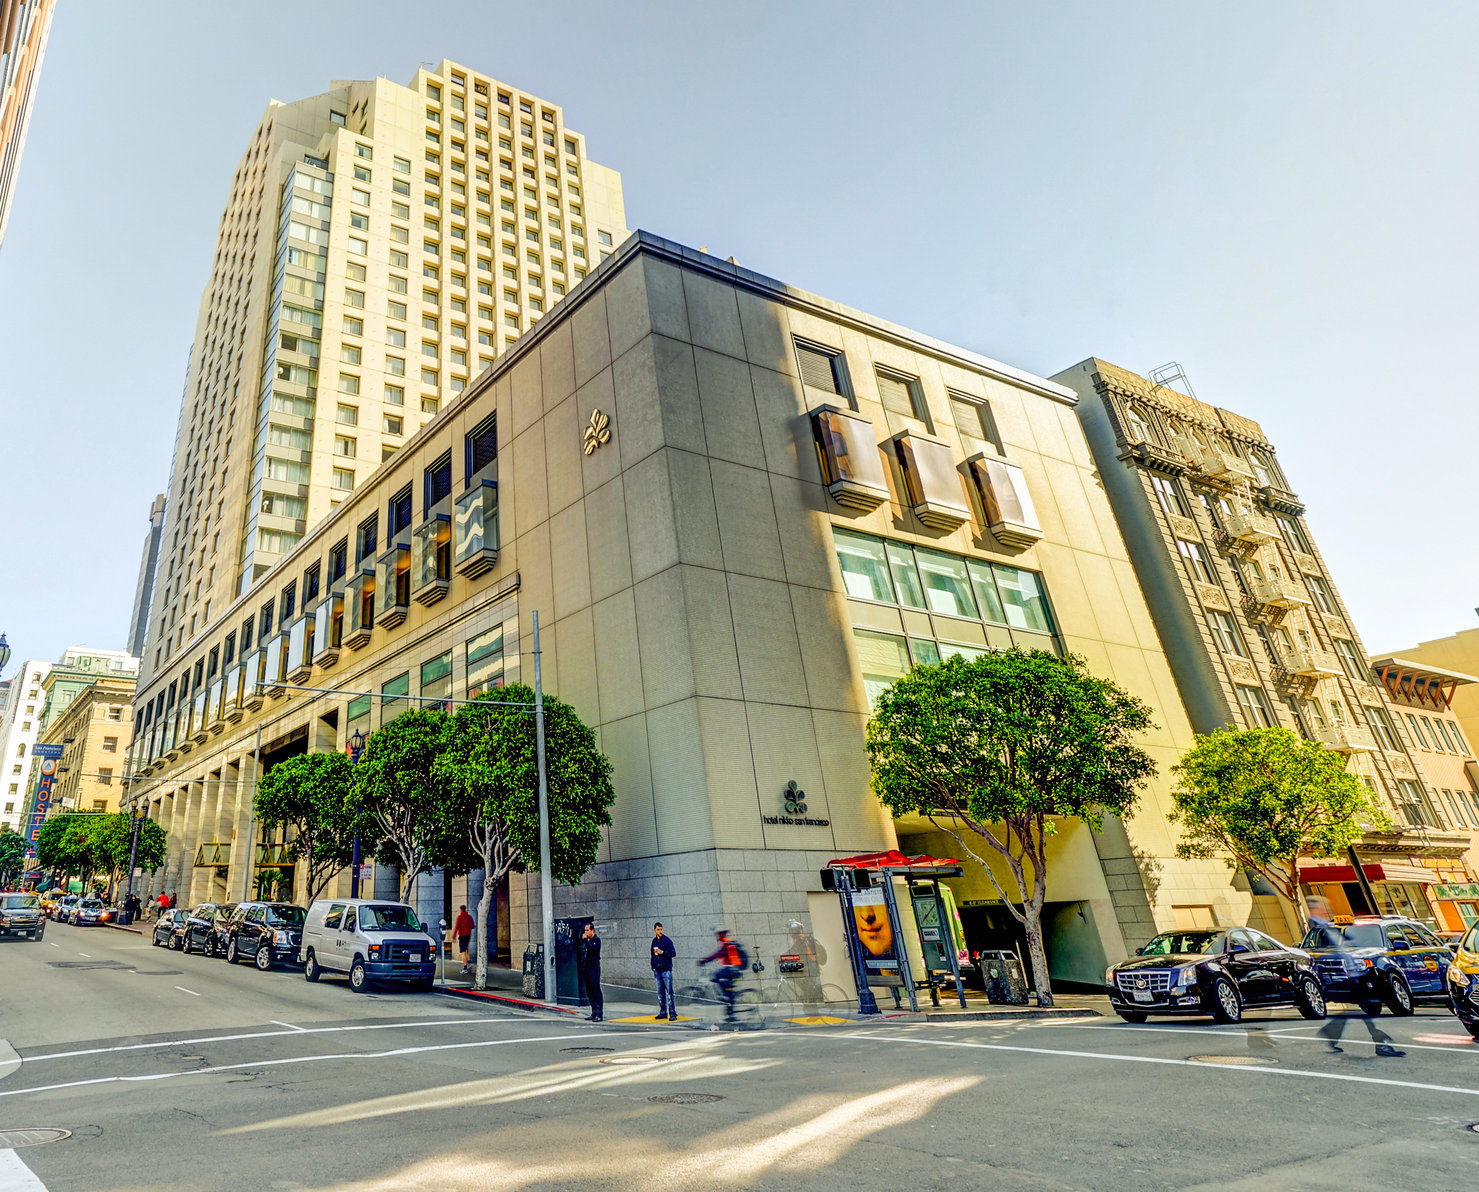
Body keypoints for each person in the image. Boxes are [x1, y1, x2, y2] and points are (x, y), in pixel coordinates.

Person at [1307, 896, 1405, 1059]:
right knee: (1369, 1009)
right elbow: (1332, 948)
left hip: (1355, 973)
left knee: (1368, 1009)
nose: (1326, 909)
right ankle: (1380, 1043)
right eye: (1322, 906)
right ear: (1315, 908)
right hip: (1348, 975)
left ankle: (1333, 1032)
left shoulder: (1328, 926)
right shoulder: (1320, 926)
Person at [700, 928, 745, 1023]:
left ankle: (728, 1004)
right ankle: (730, 1012)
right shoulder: (729, 943)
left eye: (718, 935)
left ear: (720, 935)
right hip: (736, 969)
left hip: (732, 969)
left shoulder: (726, 944)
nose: (717, 936)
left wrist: (705, 960)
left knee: (716, 976)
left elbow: (717, 954)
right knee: (728, 989)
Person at [787, 920, 826, 1003]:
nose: (790, 933)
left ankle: (811, 998)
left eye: (791, 931)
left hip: (810, 965)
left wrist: (781, 957)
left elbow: (793, 951)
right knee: (803, 982)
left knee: (802, 981)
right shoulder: (800, 939)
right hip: (809, 964)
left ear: (795, 931)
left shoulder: (800, 940)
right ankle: (809, 997)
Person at [650, 922, 677, 1021]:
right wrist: (653, 966)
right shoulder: (654, 941)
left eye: (661, 929)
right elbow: (652, 955)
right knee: (660, 993)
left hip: (666, 970)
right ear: (654, 930)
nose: (660, 931)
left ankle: (672, 1013)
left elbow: (673, 953)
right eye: (658, 929)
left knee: (669, 992)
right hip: (658, 970)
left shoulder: (667, 940)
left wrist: (663, 952)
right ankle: (663, 1012)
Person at [577, 922, 604, 1022]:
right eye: (585, 930)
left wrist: (585, 941)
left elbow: (592, 948)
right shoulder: (586, 941)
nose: (586, 932)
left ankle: (599, 1013)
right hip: (586, 967)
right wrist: (583, 936)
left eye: (588, 930)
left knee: (596, 989)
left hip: (594, 968)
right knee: (589, 991)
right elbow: (580, 939)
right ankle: (593, 1011)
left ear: (592, 930)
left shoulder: (596, 941)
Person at [453, 904, 475, 975]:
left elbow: (457, 927)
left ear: (461, 910)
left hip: (462, 935)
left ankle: (465, 967)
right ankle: (469, 961)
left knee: (462, 951)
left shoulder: (460, 917)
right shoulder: (470, 917)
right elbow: (473, 926)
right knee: (465, 949)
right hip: (468, 935)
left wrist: (454, 936)